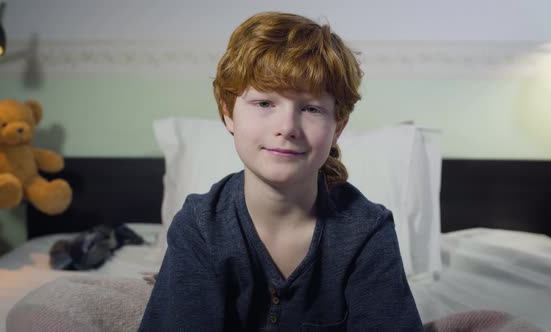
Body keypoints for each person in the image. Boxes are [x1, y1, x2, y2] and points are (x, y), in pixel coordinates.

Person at [139, 11, 423, 331]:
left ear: (337, 127)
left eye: (311, 109)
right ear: (227, 113)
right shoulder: (201, 225)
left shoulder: (368, 230)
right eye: (264, 104)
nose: (287, 127)